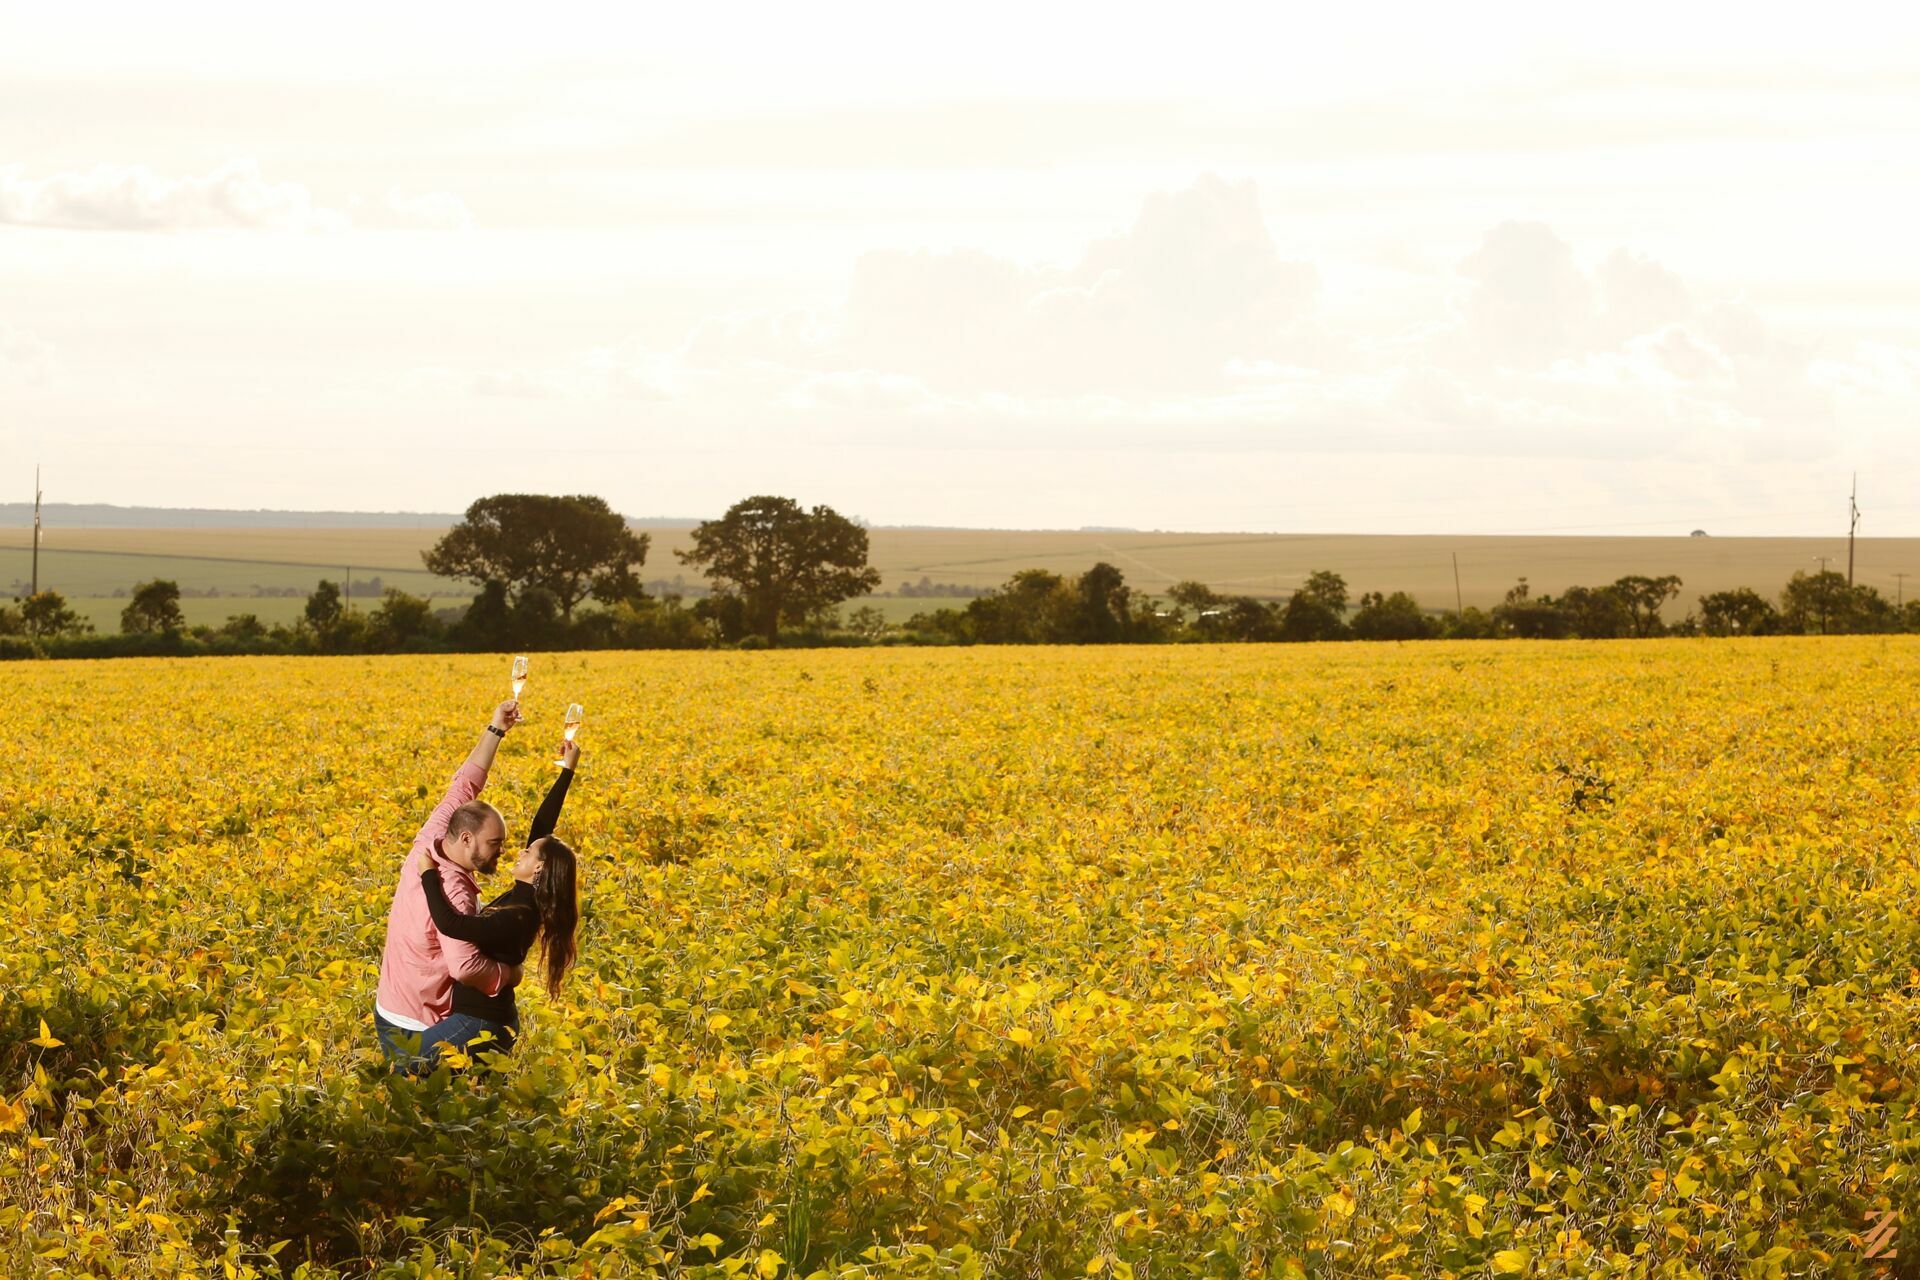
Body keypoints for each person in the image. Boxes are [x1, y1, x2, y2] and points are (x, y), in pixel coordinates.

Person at [373, 700, 526, 1070]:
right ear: (468, 840)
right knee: (496, 1032)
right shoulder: (455, 892)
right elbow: (466, 968)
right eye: (494, 845)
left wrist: (496, 729)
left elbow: (466, 781)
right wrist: (511, 975)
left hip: (389, 1004)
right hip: (419, 1020)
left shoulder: (435, 834)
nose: (500, 853)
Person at [417, 738, 582, 1062]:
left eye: (529, 852)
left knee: (403, 1064)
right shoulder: (527, 897)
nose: (522, 849)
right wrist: (567, 771)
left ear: (539, 869)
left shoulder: (519, 914)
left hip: (479, 1023)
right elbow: (542, 826)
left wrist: (428, 875)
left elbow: (452, 924)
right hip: (483, 1021)